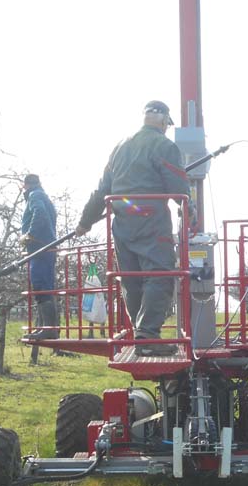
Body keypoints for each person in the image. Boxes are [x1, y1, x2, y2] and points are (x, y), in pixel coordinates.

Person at [75, 100, 190, 356]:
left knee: (132, 279)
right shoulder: (164, 145)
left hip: (122, 223)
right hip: (151, 220)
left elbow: (102, 188)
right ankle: (147, 336)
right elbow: (178, 188)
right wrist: (189, 214)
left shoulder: (120, 147)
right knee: (160, 275)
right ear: (163, 121)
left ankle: (141, 334)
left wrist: (85, 221)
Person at [20, 173, 59, 339]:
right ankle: (48, 328)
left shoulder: (34, 195)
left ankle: (48, 329)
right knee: (46, 286)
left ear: (25, 185)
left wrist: (30, 235)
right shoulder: (45, 197)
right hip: (48, 247)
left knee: (40, 284)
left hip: (39, 248)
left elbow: (40, 214)